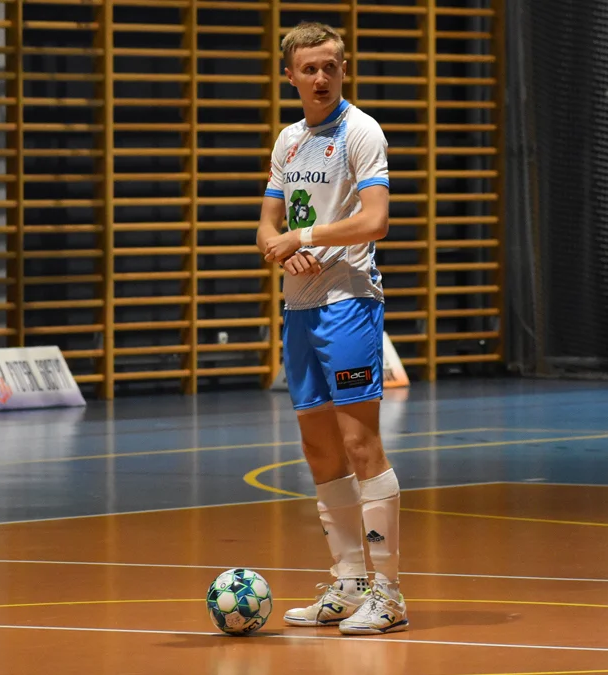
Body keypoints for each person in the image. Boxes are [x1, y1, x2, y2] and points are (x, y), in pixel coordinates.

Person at [255, 21, 408, 633]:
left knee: (359, 444)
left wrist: (308, 236)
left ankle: (388, 592)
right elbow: (266, 227)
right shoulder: (288, 142)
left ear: (344, 70)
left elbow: (375, 220)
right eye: (310, 68)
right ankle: (346, 584)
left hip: (348, 302)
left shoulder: (360, 131)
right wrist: (280, 247)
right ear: (288, 75)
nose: (321, 77)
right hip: (299, 307)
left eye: (332, 66)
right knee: (319, 449)